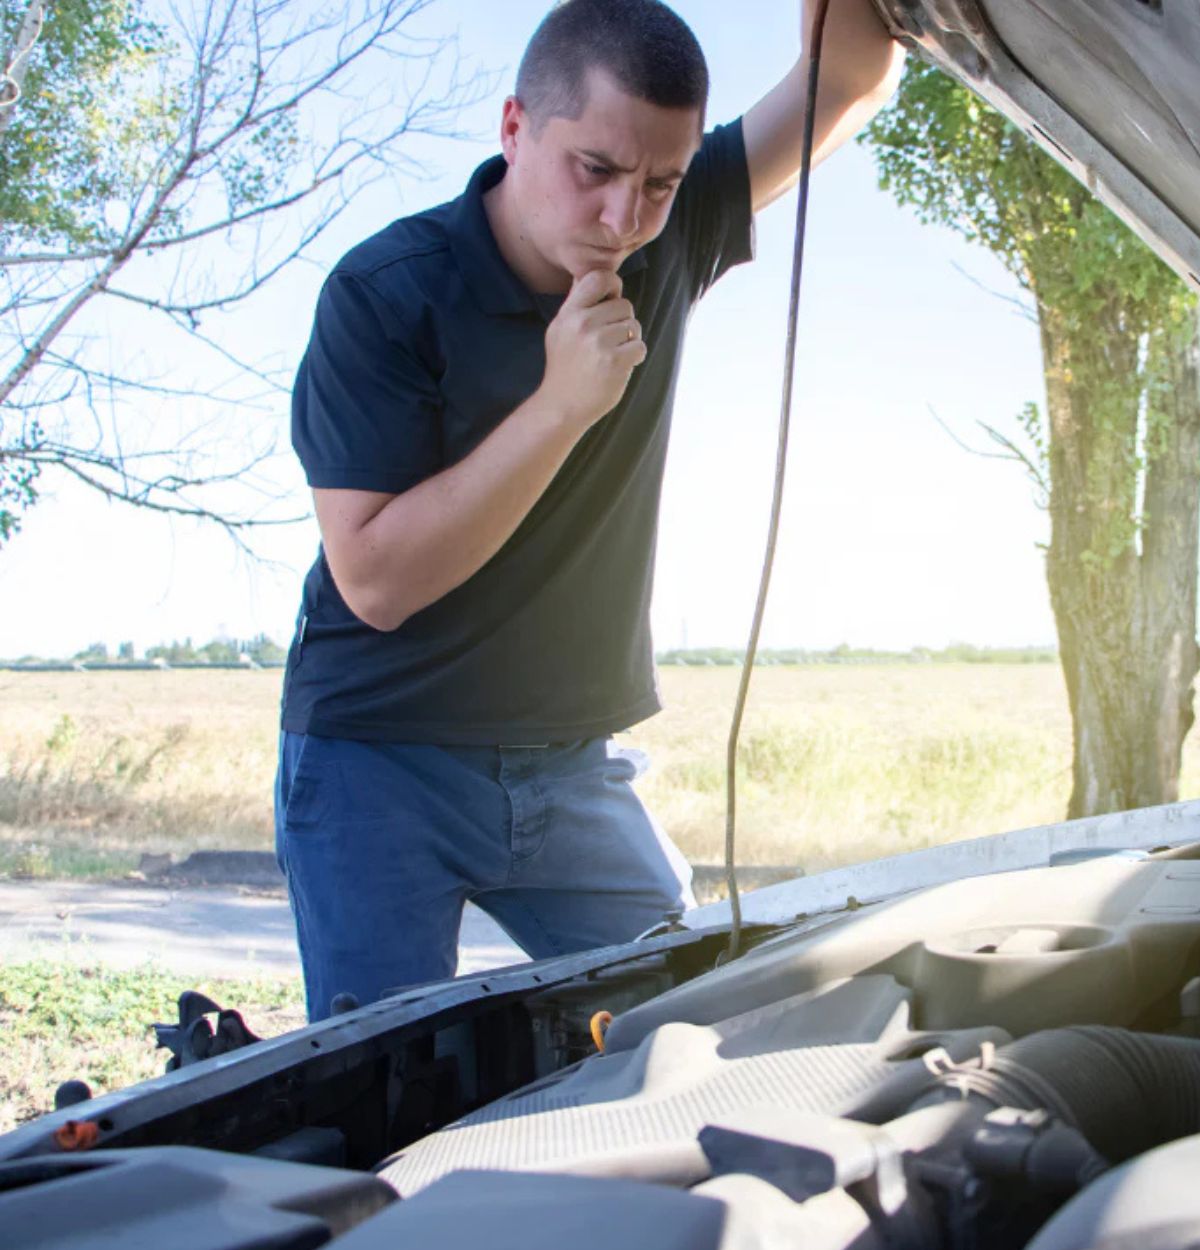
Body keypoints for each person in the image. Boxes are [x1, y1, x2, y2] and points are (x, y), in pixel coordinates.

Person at [276, 0, 904, 1021]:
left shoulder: (671, 226)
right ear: (516, 126)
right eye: (596, 171)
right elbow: (375, 580)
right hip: (378, 761)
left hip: (572, 764)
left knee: (700, 1020)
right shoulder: (383, 295)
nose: (627, 218)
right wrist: (561, 405)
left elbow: (846, 79)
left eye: (662, 181)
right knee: (378, 1091)